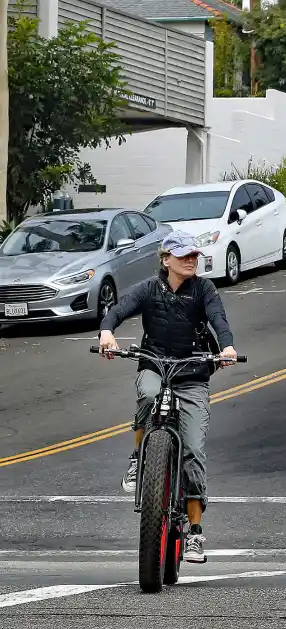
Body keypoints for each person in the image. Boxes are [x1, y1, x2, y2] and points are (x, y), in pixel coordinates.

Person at [97, 231, 238, 563]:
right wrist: (106, 332)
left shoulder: (204, 289)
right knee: (147, 394)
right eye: (183, 255)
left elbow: (219, 319)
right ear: (166, 260)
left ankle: (195, 533)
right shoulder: (149, 288)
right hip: (156, 364)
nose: (191, 260)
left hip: (192, 374)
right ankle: (137, 459)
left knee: (193, 451)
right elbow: (118, 310)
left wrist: (228, 346)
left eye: (194, 255)